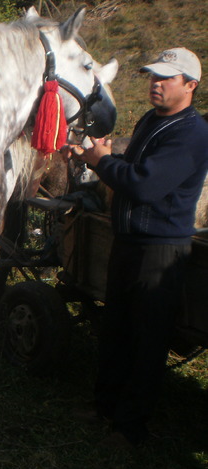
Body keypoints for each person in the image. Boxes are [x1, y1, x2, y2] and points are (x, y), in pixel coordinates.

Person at [67, 47, 208, 448]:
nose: (155, 83)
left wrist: (101, 161)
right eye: (152, 76)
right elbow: (128, 167)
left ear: (190, 86)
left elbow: (144, 185)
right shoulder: (152, 120)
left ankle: (130, 427)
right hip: (128, 241)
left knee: (147, 341)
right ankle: (104, 407)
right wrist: (89, 156)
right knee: (116, 330)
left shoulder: (192, 134)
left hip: (160, 250)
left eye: (166, 78)